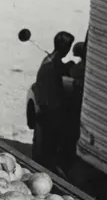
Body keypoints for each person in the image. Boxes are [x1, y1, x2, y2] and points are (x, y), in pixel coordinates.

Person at [32, 31, 75, 174]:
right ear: (66, 48)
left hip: (47, 111)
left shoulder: (50, 61)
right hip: (50, 113)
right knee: (49, 152)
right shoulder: (51, 66)